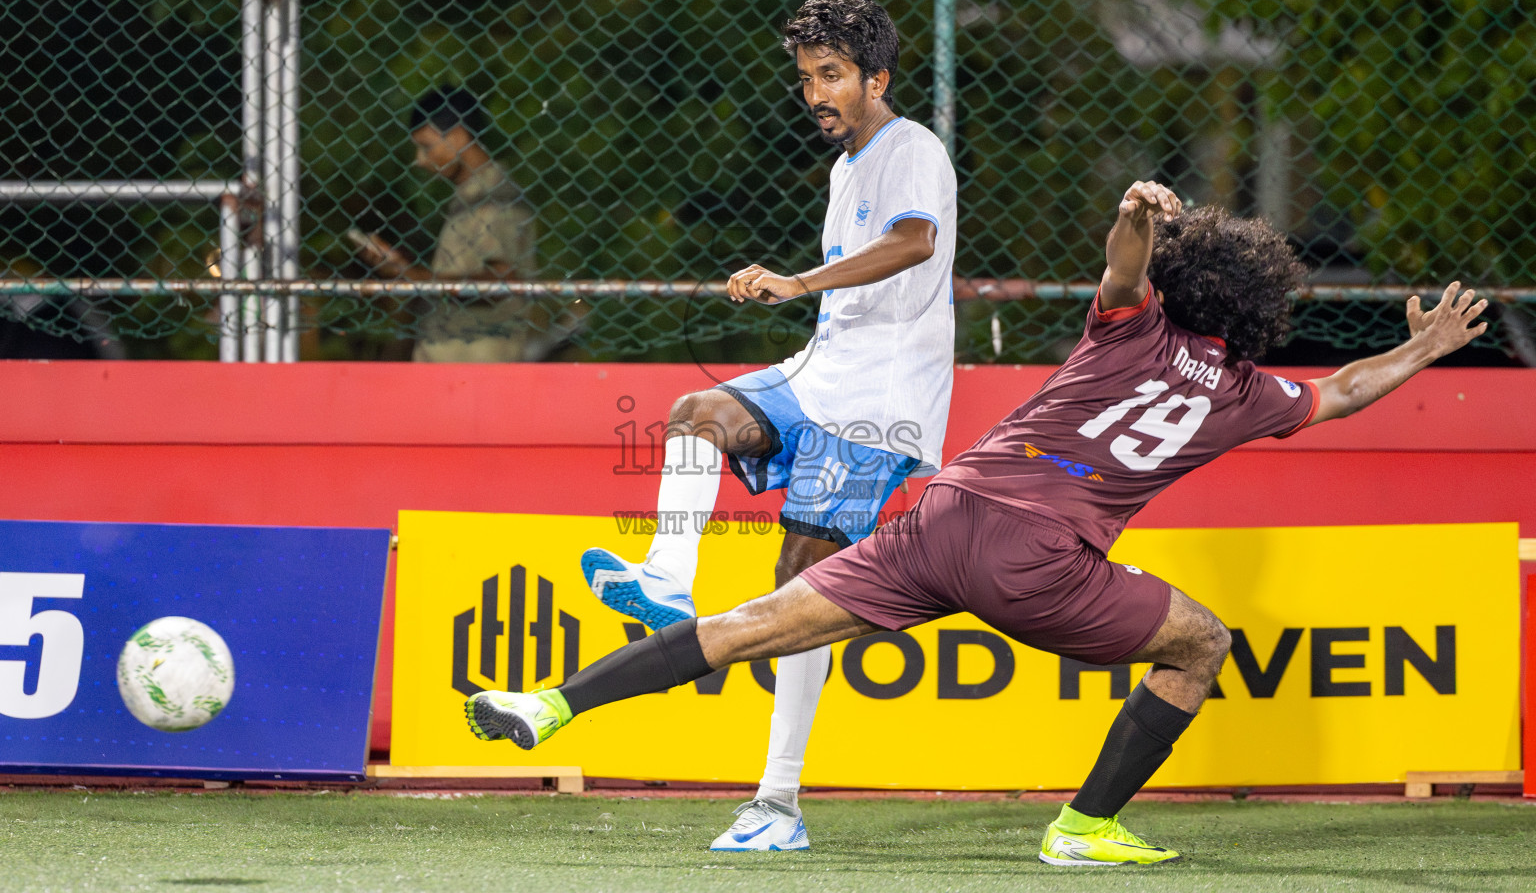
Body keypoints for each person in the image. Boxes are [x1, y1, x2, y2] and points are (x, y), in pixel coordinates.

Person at [463, 179, 1489, 867]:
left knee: (750, 625)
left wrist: (1138, 211)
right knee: (1203, 642)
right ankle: (1086, 827)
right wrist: (1428, 349)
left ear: (1184, 279)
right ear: (1258, 305)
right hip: (1041, 559)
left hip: (942, 513)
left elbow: (1122, 270)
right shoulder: (1247, 393)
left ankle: (550, 704)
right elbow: (1346, 391)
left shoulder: (1129, 326)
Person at [574, 0, 958, 851]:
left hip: (881, 405)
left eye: (833, 76)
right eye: (806, 79)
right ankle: (668, 579)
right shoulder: (844, 166)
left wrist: (796, 283)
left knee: (802, 589)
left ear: (876, 78)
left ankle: (778, 804)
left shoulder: (912, 150)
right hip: (822, 374)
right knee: (695, 414)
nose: (817, 93)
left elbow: (915, 242)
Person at [353, 86, 574, 362]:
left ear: (457, 136)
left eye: (426, 146)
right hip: (451, 369)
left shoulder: (495, 198)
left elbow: (501, 281)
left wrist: (414, 276)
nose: (419, 161)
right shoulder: (468, 198)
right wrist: (404, 271)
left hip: (476, 371)